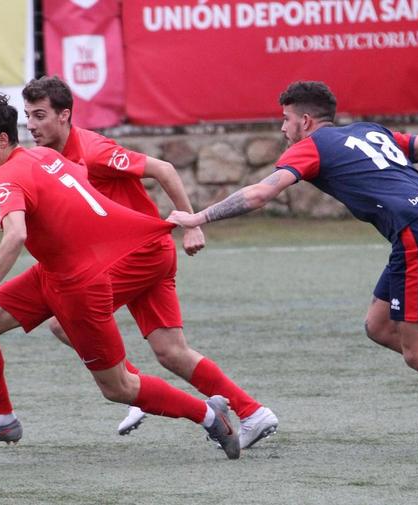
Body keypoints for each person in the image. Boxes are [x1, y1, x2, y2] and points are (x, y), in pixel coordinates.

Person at [167, 80, 418, 455]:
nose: (282, 128)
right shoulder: (371, 131)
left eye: (286, 120)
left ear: (307, 120)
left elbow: (260, 193)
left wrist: (198, 216)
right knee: (379, 326)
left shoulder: (311, 146)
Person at [0, 93, 240, 459]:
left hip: (79, 288)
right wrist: (29, 214)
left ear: (3, 139)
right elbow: (74, 185)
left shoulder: (8, 174)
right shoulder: (43, 155)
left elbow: (17, 236)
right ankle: (2, 419)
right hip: (49, 275)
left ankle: (210, 415)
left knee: (118, 387)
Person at [19, 75, 278, 449]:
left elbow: (164, 169)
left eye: (39, 115)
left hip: (141, 253)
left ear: (64, 116)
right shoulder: (50, 158)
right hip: (142, 254)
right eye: (27, 116)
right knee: (172, 352)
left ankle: (131, 387)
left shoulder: (93, 151)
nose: (30, 125)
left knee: (63, 323)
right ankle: (253, 412)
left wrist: (191, 224)